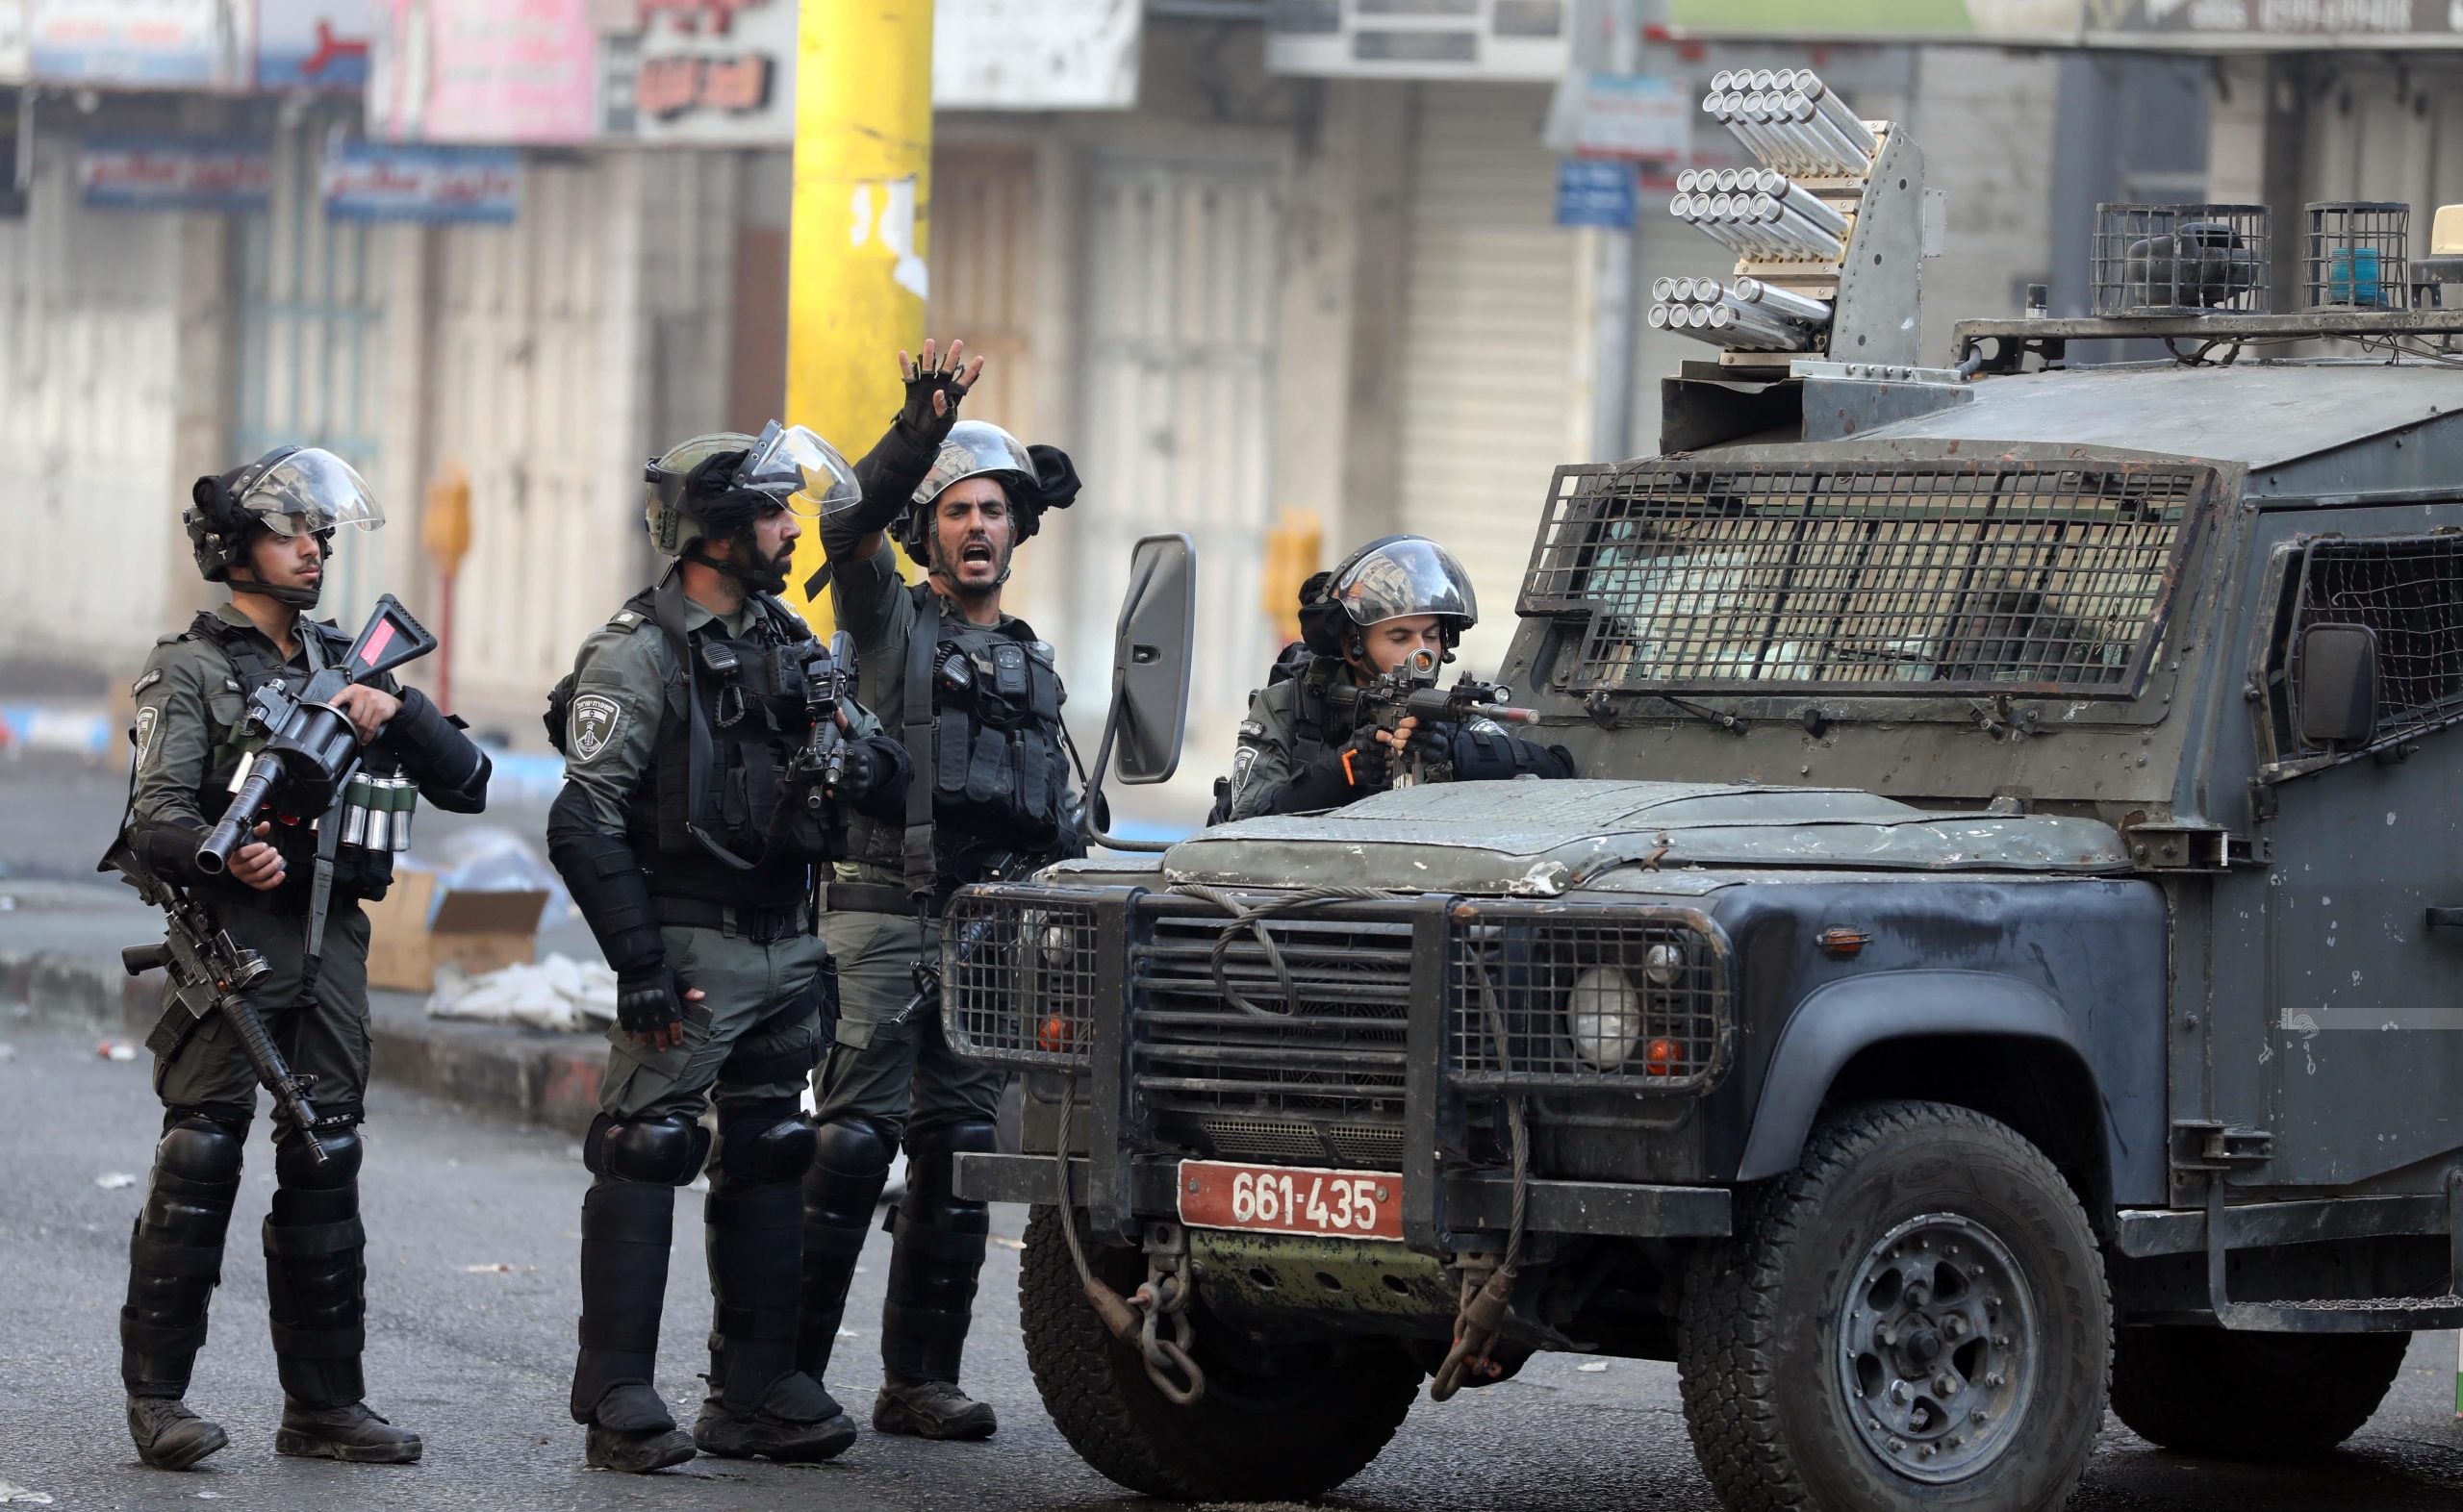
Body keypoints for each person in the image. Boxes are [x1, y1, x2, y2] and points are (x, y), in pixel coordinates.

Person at [106, 446, 492, 1470]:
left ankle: (325, 1406)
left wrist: (393, 709)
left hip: (330, 948)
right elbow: (155, 819)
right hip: (234, 948)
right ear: (236, 550)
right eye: (290, 532)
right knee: (201, 1154)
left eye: (320, 532)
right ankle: (158, 1400)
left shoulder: (349, 662)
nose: (314, 548)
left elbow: (471, 782)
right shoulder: (188, 667)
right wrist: (224, 851)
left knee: (329, 1161)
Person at [546, 424, 915, 1474]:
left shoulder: (786, 638)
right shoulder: (638, 650)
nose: (786, 526)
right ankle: (617, 1393)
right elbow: (583, 821)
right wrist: (640, 964)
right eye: (766, 510)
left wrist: (858, 763)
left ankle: (754, 1390)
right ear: (709, 529)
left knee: (770, 1147)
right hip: (691, 942)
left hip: (788, 938)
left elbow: (875, 764)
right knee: (646, 1145)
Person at [797, 340, 1082, 1444]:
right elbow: (840, 528)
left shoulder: (1029, 658)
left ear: (1017, 531)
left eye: (994, 512)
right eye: (956, 510)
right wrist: (919, 429)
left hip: (988, 932)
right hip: (879, 915)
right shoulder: (884, 619)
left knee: (960, 1160)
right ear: (926, 531)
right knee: (850, 1143)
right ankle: (785, 1378)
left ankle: (918, 1379)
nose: (978, 527)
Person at [1217, 535, 1575, 820]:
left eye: (1431, 635)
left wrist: (1450, 749)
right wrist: (1342, 770)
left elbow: (1556, 768)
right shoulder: (1290, 704)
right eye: (1400, 637)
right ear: (1352, 646)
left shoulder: (1444, 714)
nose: (1422, 652)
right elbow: (1246, 820)